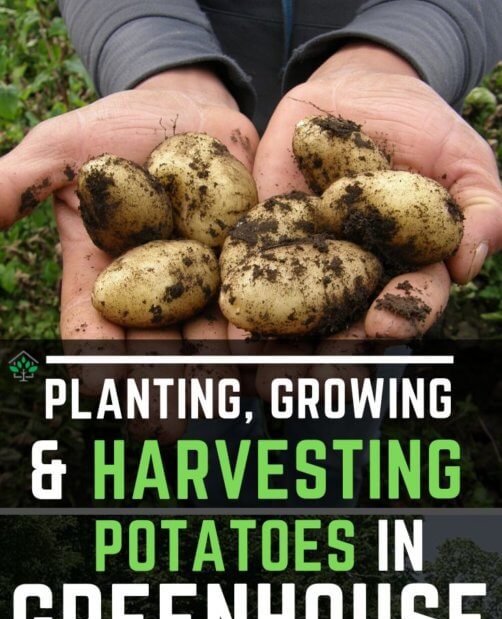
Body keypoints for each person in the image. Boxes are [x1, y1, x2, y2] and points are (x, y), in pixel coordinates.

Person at [1, 0, 501, 354]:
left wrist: (396, 55)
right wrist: (163, 65)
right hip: (210, 114)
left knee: (365, 360)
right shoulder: (224, 240)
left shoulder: (337, 207)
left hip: (375, 183)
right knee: (214, 409)